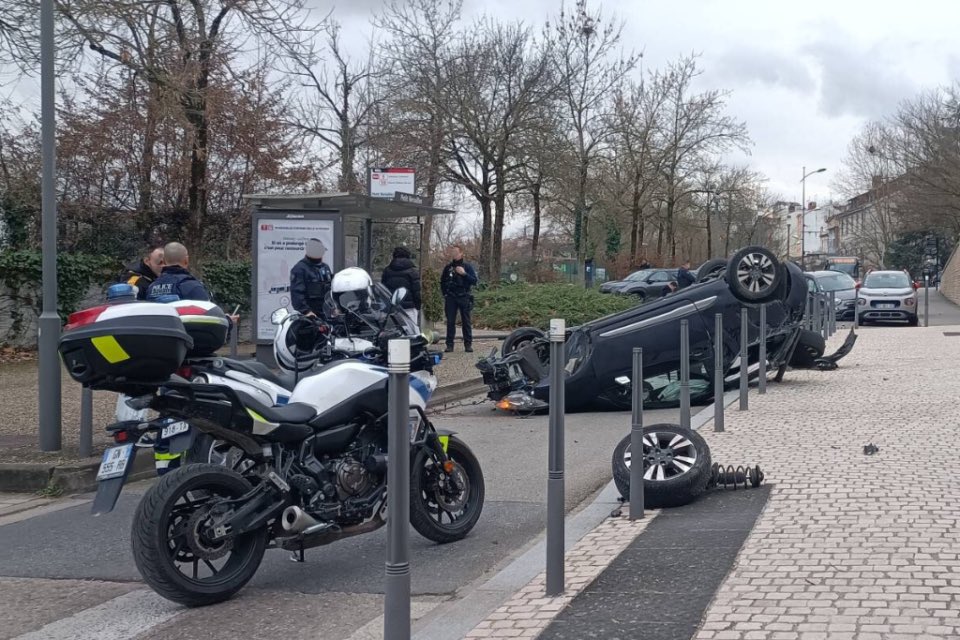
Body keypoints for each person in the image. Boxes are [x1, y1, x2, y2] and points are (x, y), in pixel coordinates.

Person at [441, 244, 478, 352]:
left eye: (456, 253)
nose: (454, 255)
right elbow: (442, 281)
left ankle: (468, 344)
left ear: (461, 253)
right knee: (450, 322)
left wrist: (464, 274)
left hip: (464, 295)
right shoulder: (448, 267)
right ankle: (449, 344)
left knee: (466, 321)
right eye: (453, 253)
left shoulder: (467, 266)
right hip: (451, 296)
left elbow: (474, 281)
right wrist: (445, 294)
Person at [290, 238, 333, 318]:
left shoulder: (325, 267)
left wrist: (335, 308)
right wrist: (306, 312)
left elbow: (330, 290)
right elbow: (297, 294)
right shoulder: (300, 269)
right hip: (310, 317)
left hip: (327, 314)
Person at [381, 246, 423, 326]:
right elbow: (417, 292)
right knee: (412, 332)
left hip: (392, 308)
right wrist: (417, 306)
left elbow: (383, 290)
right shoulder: (413, 271)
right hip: (409, 308)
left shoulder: (387, 271)